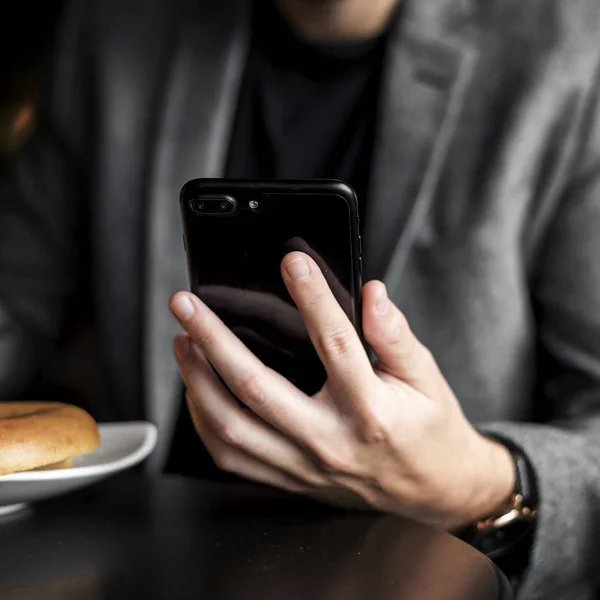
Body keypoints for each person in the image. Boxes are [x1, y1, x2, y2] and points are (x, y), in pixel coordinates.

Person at [1, 0, 599, 596]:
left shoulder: (572, 54)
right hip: (149, 564)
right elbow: (14, 299)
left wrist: (474, 483)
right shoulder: (113, 29)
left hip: (420, 577)